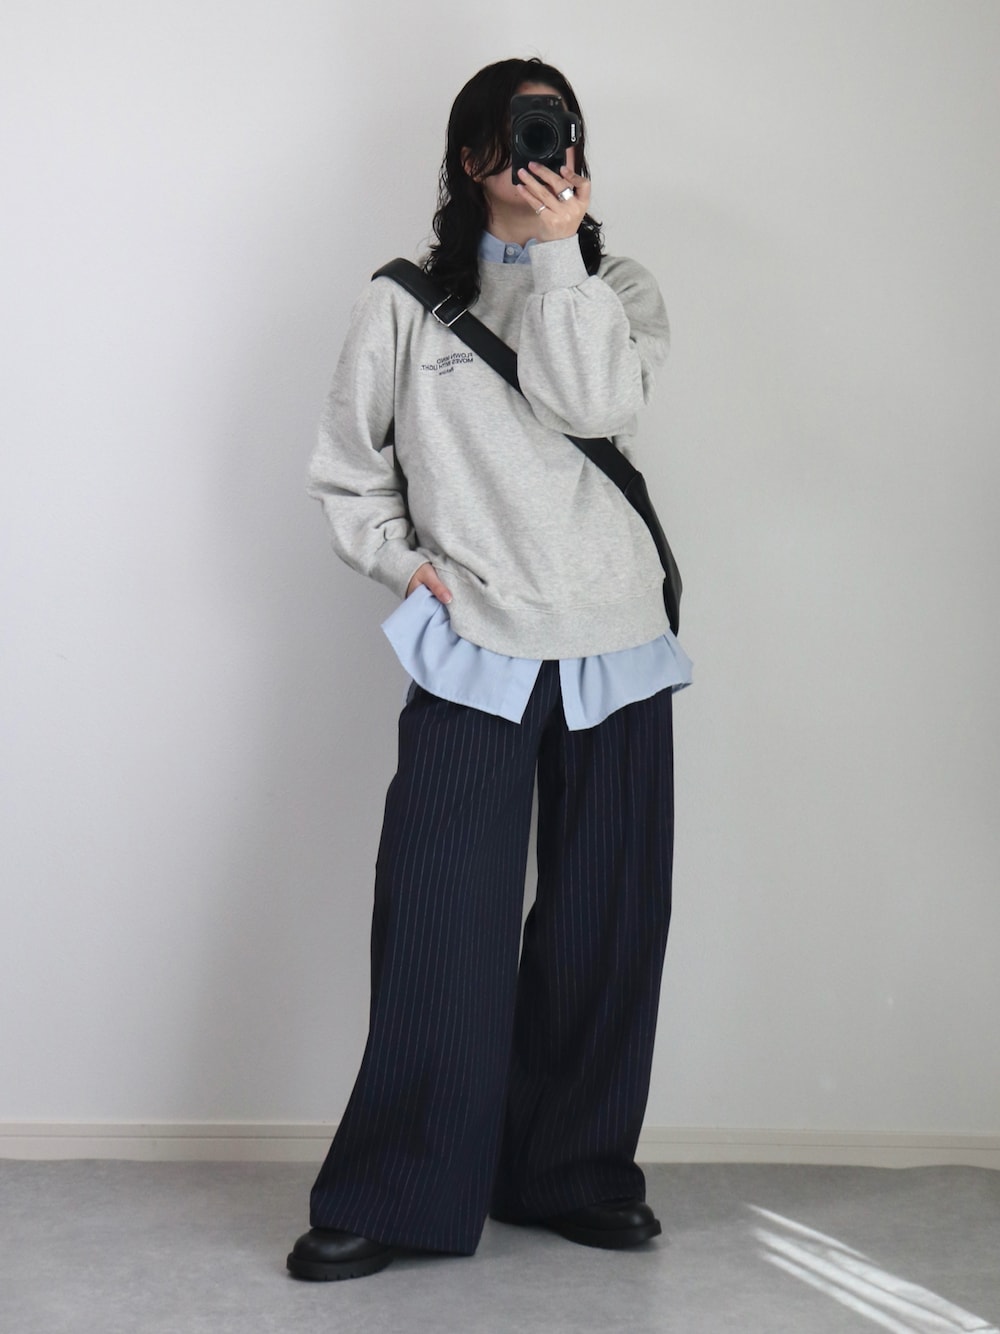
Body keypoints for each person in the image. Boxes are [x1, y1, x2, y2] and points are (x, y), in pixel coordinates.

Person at [286, 56, 692, 1283]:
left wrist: (555, 256)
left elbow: (595, 407)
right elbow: (348, 469)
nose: (540, 148)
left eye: (557, 129)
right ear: (470, 158)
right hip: (473, 641)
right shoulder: (403, 305)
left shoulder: (618, 288)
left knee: (604, 923)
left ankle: (570, 1171)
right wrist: (400, 563)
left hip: (614, 637)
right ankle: (400, 1188)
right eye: (517, 132)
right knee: (438, 924)